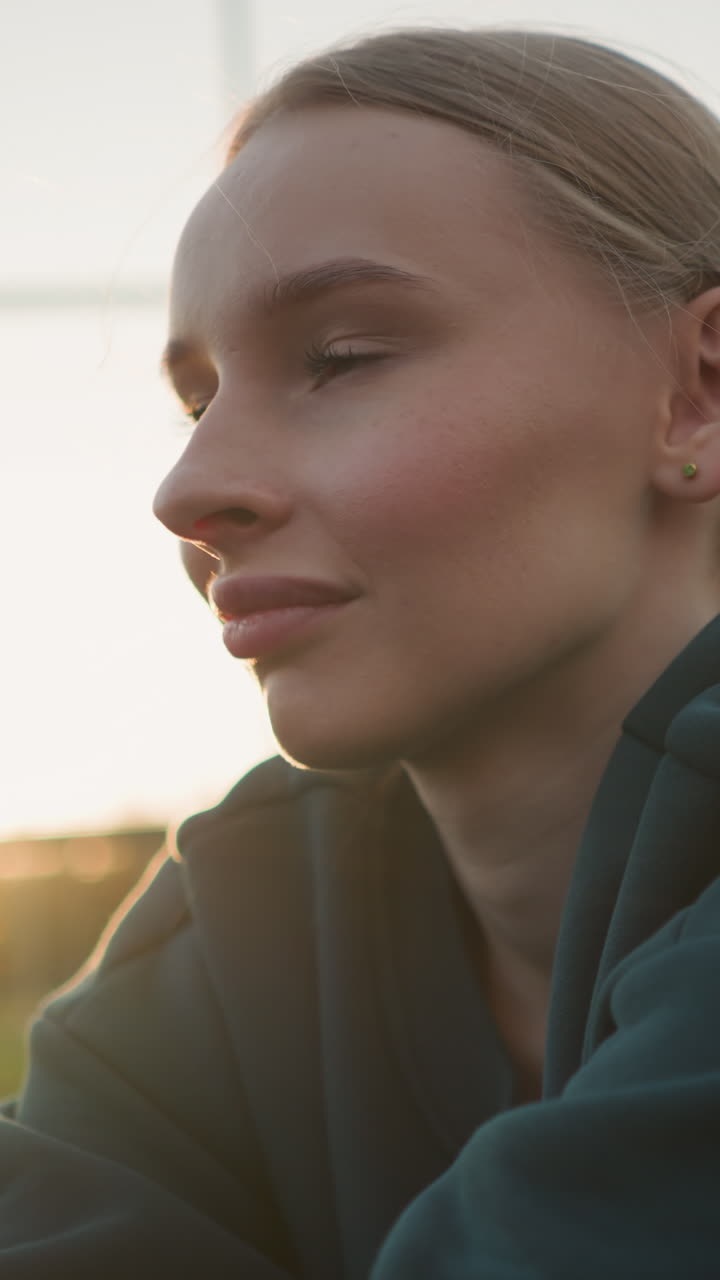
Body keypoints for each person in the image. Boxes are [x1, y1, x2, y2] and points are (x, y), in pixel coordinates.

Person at [3, 24, 720, 1277]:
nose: (189, 486)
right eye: (198, 397)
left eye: (344, 358)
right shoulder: (246, 919)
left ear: (699, 390)